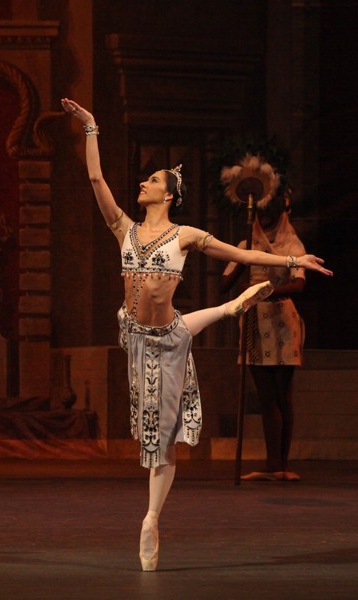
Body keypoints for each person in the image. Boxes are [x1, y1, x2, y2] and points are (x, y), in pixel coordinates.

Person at [60, 98, 333, 571]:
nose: (143, 183)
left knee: (162, 437)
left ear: (167, 196)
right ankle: (227, 308)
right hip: (136, 338)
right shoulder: (123, 229)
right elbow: (96, 180)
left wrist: (293, 259)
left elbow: (242, 255)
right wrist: (91, 128)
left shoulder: (185, 236)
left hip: (167, 340)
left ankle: (151, 518)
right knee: (148, 437)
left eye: (153, 180)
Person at [221, 196, 309, 482]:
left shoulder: (292, 245)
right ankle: (273, 465)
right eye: (261, 212)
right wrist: (244, 258)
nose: (265, 216)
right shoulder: (246, 245)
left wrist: (264, 291)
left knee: (282, 395)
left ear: (283, 212)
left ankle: (281, 464)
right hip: (255, 323)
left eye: (271, 211)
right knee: (266, 396)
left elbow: (299, 283)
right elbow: (224, 284)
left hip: (282, 321)